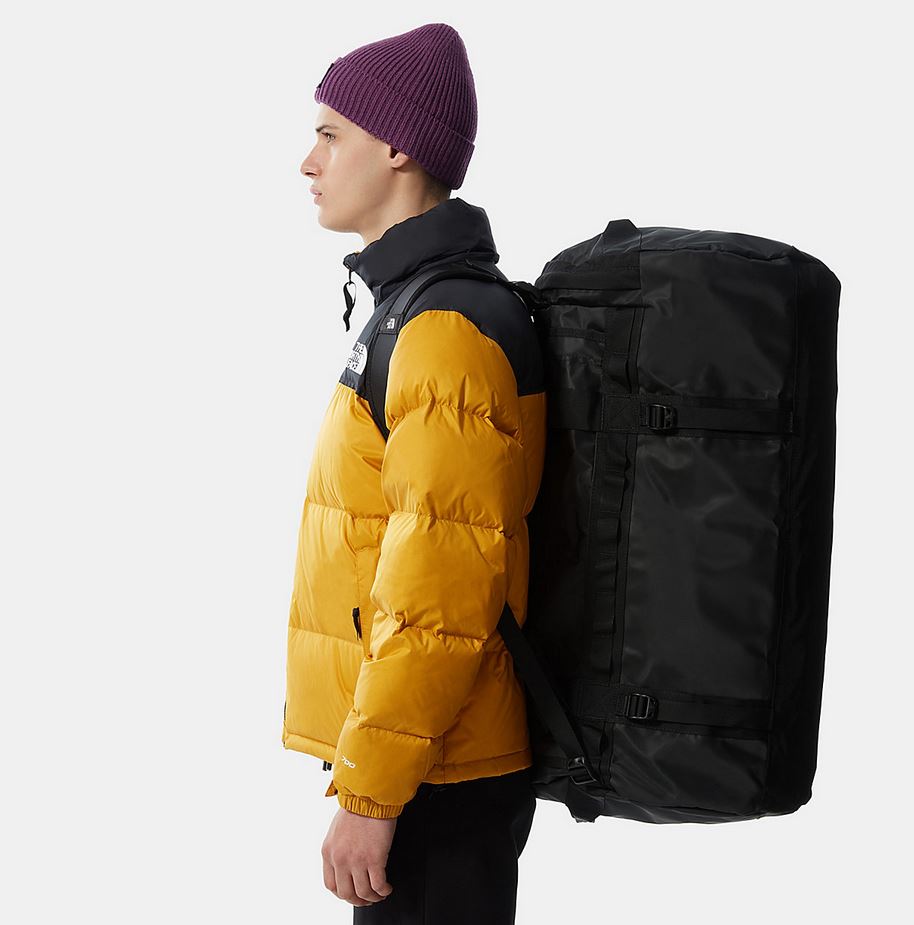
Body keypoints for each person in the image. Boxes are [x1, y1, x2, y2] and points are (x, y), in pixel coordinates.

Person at [282, 22, 547, 923]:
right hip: (430, 759)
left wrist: (372, 792)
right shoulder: (412, 310)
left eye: (330, 134)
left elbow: (441, 585)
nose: (309, 162)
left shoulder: (443, 328)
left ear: (398, 147)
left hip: (440, 771)